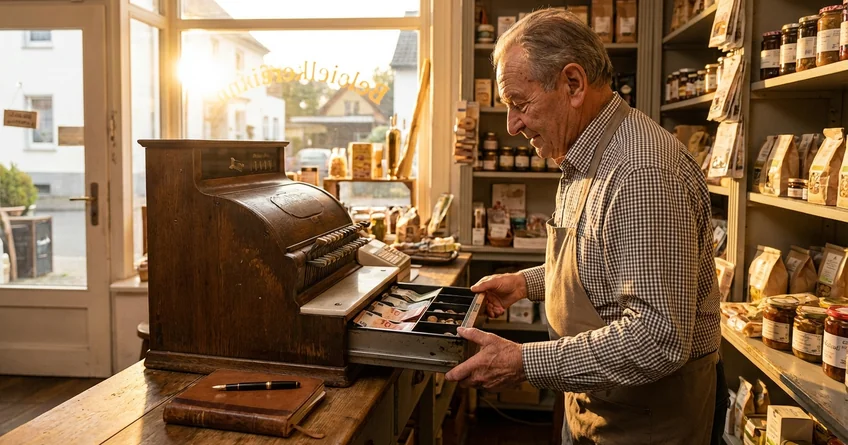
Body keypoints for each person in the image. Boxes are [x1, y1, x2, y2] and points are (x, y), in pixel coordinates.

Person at [444, 8, 723, 444]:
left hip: (645, 420)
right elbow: (603, 265)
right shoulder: (585, 153)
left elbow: (658, 336)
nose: (512, 126)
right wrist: (527, 283)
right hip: (598, 400)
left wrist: (523, 362)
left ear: (573, 84)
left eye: (520, 104)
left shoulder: (641, 171)